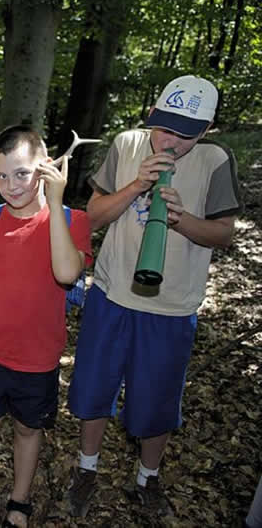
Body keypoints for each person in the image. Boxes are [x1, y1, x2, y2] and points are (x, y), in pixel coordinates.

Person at [66, 75, 243, 518]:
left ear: (204, 130)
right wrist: (134, 188)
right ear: (152, 117)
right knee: (93, 388)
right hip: (111, 294)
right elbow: (93, 216)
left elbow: (224, 235)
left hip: (171, 307)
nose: (168, 141)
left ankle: (148, 477)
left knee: (156, 398)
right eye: (163, 128)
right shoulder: (127, 144)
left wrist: (183, 220)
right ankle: (87, 468)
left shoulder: (215, 159)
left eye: (184, 135)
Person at [0, 126, 91, 528]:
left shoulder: (71, 220)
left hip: (37, 358)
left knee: (29, 430)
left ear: (45, 169)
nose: (10, 185)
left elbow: (67, 274)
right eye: (1, 175)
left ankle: (20, 499)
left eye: (21, 173)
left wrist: (55, 201)